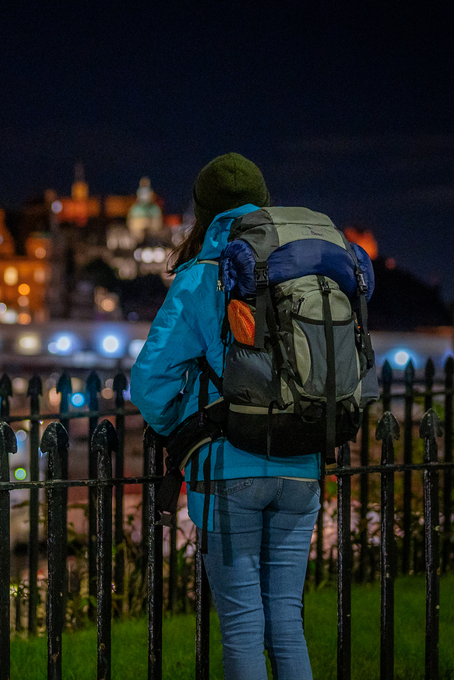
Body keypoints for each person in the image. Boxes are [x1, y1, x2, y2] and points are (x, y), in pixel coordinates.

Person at [131, 152, 320, 679]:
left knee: (241, 626)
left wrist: (178, 429)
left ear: (202, 213)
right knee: (287, 619)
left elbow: (148, 383)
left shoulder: (202, 276)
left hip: (227, 467)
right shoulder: (302, 268)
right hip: (301, 464)